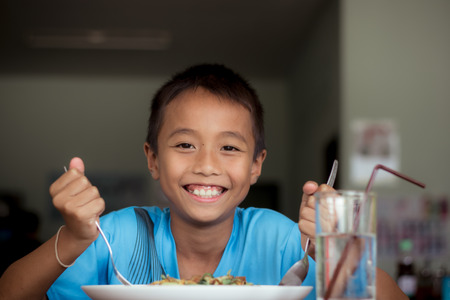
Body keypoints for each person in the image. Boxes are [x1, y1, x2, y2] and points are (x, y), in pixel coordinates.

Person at [0, 64, 406, 300]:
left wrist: (340, 251)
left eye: (229, 148)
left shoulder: (282, 240)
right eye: (185, 144)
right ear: (153, 159)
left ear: (255, 165)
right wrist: (72, 238)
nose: (207, 165)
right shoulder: (115, 237)